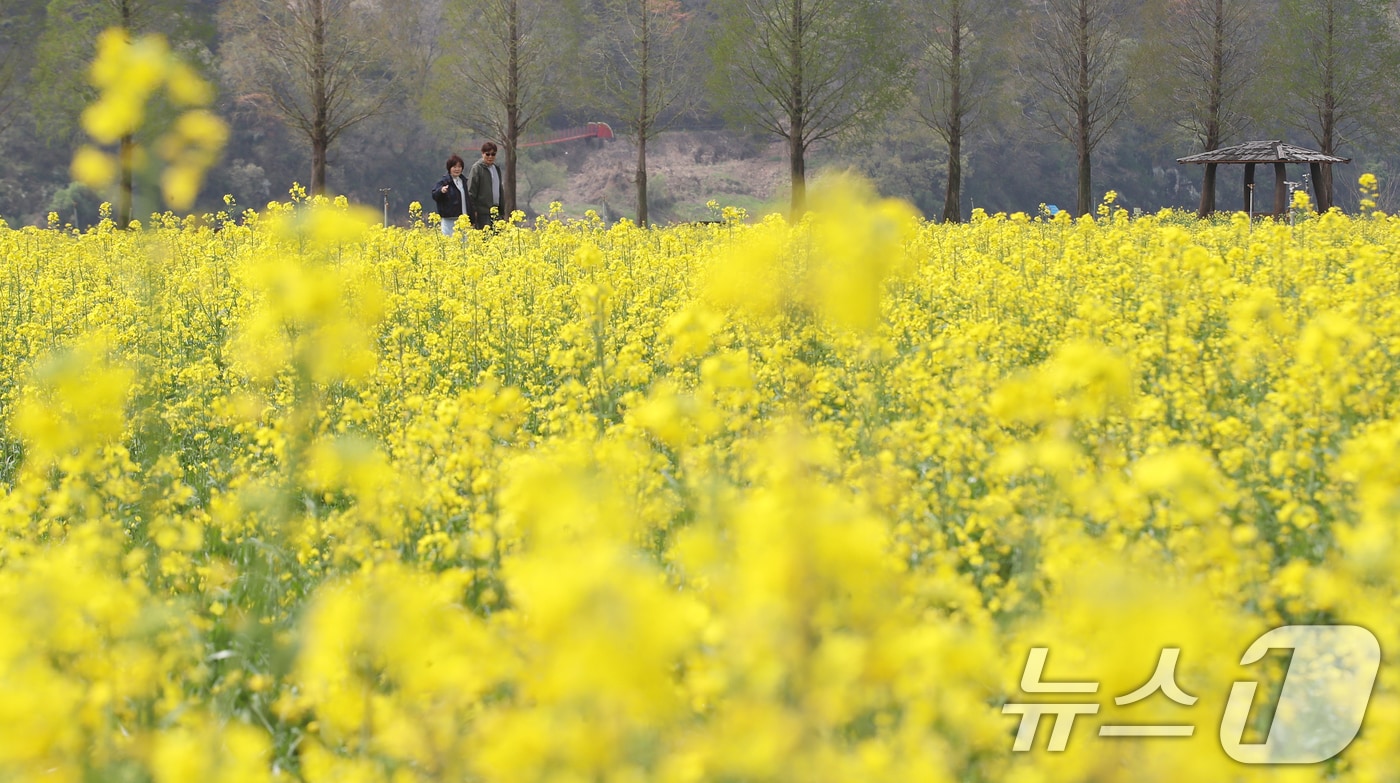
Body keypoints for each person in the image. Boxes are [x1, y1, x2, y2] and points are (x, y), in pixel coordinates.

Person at [430, 154, 469, 236]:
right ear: (449, 168)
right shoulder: (444, 181)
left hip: (463, 220)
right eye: (454, 167)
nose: (457, 169)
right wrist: (441, 191)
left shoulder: (464, 181)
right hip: (450, 220)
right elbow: (434, 194)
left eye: (459, 167)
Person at [467, 142, 503, 230]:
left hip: (496, 211)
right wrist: (473, 211)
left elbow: (500, 189)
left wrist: (502, 210)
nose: (490, 157)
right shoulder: (477, 168)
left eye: (493, 154)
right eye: (487, 154)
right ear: (482, 153)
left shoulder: (496, 168)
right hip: (482, 212)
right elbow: (471, 191)